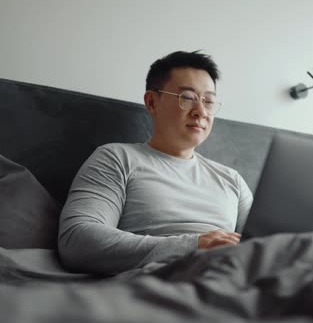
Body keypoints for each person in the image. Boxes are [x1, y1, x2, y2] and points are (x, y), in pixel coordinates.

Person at [57, 51, 253, 274]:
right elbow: (77, 240)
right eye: (187, 98)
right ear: (151, 102)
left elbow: (270, 246)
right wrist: (194, 245)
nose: (201, 112)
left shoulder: (232, 180)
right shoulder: (117, 158)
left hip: (232, 281)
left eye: (208, 101)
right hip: (164, 283)